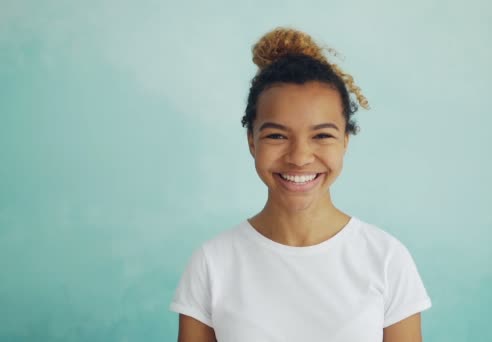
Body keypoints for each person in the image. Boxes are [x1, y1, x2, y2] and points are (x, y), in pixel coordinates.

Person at [169, 27, 432, 342]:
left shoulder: (387, 259)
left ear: (345, 141)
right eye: (277, 135)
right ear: (252, 141)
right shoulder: (212, 264)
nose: (299, 157)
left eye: (322, 135)